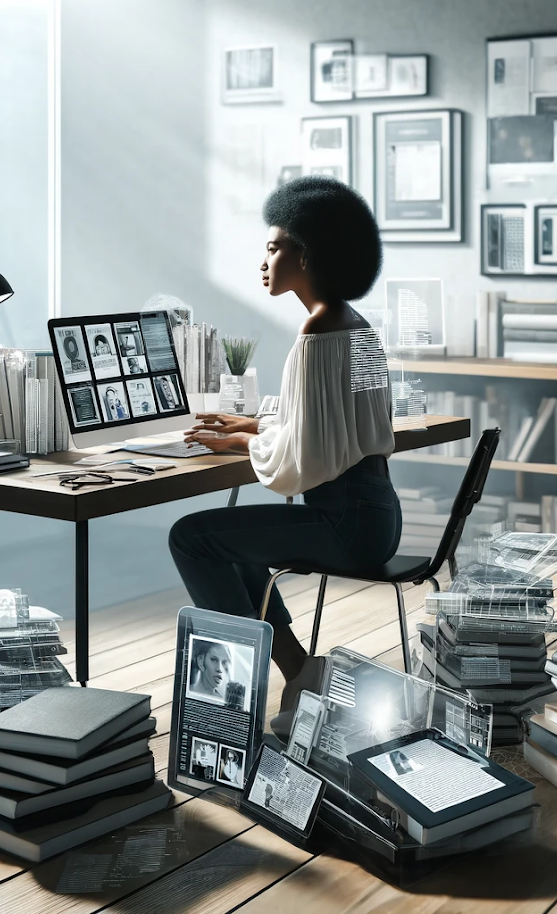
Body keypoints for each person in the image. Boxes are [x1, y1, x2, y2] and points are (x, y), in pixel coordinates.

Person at [168, 176, 398, 738]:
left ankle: (236, 699)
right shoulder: (357, 327)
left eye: (274, 247)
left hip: (341, 523)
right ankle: (298, 670)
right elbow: (345, 426)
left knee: (192, 538)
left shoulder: (316, 333)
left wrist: (244, 442)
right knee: (226, 538)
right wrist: (252, 423)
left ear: (308, 252)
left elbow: (305, 456)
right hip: (377, 516)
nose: (264, 260)